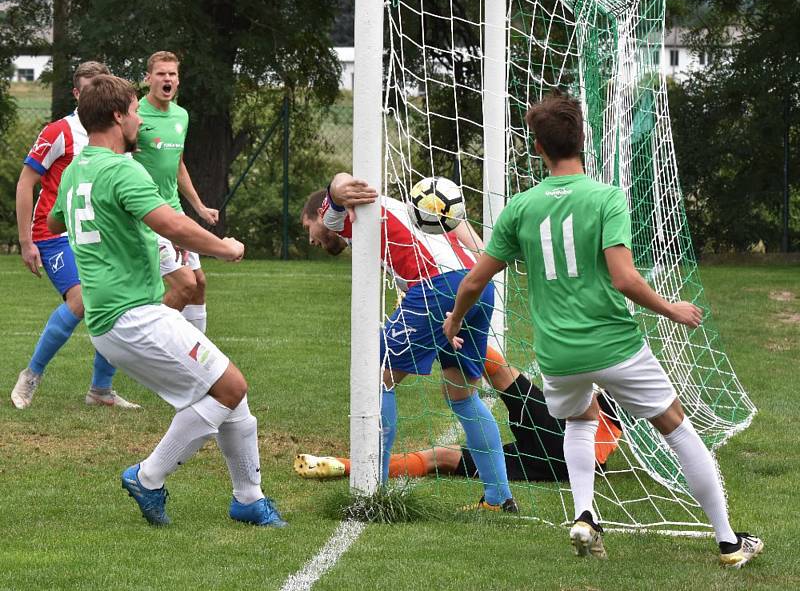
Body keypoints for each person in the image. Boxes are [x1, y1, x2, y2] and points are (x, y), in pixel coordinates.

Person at [443, 92, 763, 567]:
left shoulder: (520, 207)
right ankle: (728, 542)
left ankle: (586, 516)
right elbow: (624, 278)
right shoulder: (607, 197)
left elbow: (474, 279)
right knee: (676, 427)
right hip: (615, 344)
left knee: (579, 420)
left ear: (538, 147)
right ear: (583, 141)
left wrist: (453, 320)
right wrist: (671, 309)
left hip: (557, 354)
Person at [48, 74, 285, 528]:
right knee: (232, 386)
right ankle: (148, 476)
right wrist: (226, 247)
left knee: (232, 400)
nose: (140, 119)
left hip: (112, 318)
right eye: (135, 112)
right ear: (118, 116)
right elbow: (172, 224)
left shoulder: (79, 168)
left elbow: (61, 218)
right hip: (132, 314)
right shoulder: (121, 168)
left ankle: (249, 498)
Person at [302, 177, 515, 512]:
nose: (311, 239)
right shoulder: (398, 211)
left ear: (318, 213)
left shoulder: (340, 215)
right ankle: (498, 499)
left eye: (307, 227)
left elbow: (340, 183)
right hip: (476, 283)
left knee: (376, 380)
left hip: (436, 285)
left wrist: (334, 188)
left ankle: (373, 492)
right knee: (461, 395)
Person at [294, 345, 622, 482]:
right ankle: (342, 466)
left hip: (563, 438)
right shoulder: (623, 383)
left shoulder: (612, 380)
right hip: (571, 466)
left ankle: (443, 330)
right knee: (443, 458)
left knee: (501, 371)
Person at [12, 60, 138, 409]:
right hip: (53, 233)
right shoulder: (59, 132)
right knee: (82, 300)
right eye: (87, 90)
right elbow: (26, 182)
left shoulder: (117, 132)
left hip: (100, 233)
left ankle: (101, 390)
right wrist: (26, 242)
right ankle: (31, 375)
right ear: (76, 94)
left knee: (116, 300)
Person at [133, 51, 216, 332]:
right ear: (148, 79)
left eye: (172, 74)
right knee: (185, 284)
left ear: (178, 80)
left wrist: (199, 207)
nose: (167, 78)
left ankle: (198, 349)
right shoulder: (135, 116)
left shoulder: (182, 115)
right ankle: (150, 338)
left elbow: (178, 165)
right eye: (161, 74)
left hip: (175, 209)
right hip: (149, 213)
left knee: (199, 283)